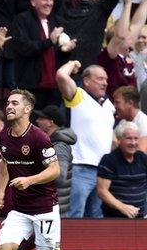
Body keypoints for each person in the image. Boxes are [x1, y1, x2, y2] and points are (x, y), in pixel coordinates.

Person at [0, 89, 64, 250]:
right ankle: (44, 240)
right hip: (20, 208)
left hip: (44, 206)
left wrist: (29, 180)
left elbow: (55, 170)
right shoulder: (3, 137)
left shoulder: (39, 138)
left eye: (15, 103)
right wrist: (1, 190)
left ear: (27, 109)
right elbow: (5, 161)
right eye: (8, 103)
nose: (9, 106)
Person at [56, 60, 115, 218]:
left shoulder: (109, 104)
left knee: (96, 218)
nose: (105, 83)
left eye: (106, 80)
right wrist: (72, 63)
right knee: (76, 216)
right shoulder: (78, 96)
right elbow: (61, 75)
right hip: (81, 167)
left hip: (103, 171)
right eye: (100, 79)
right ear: (86, 81)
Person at [97, 121, 147, 218]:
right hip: (115, 220)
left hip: (140, 218)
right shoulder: (109, 160)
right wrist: (123, 207)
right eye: (129, 138)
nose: (133, 143)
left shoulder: (143, 158)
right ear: (119, 140)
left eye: (136, 138)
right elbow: (102, 191)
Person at [33, 105, 76, 217]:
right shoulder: (50, 144)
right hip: (50, 207)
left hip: (54, 210)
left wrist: (31, 179)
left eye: (41, 118)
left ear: (50, 122)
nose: (37, 121)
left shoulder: (59, 147)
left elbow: (59, 176)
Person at [112, 86, 147, 152]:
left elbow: (141, 154)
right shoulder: (123, 122)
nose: (114, 106)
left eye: (117, 102)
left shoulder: (144, 123)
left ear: (130, 103)